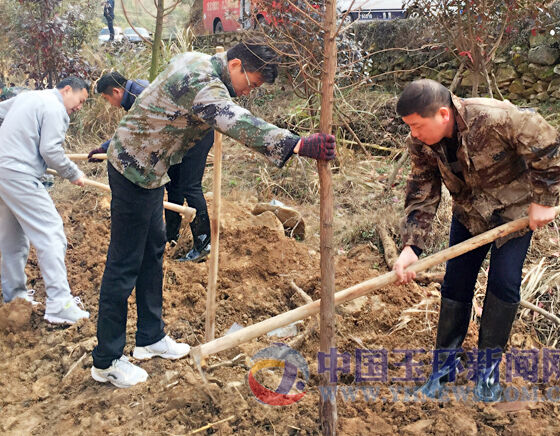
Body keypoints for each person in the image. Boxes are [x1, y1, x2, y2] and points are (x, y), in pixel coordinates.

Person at [90, 40, 336, 388]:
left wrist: (123, 136)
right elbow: (234, 119)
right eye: (249, 83)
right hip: (133, 170)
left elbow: (152, 102)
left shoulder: (195, 60)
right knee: (124, 262)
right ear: (234, 65)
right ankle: (107, 359)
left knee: (152, 253)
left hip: (149, 168)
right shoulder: (202, 81)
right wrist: (294, 143)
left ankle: (150, 337)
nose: (248, 92)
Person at [392, 79, 560, 402]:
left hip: (512, 214)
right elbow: (422, 190)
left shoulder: (493, 118)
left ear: (443, 114)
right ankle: (444, 369)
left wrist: (544, 198)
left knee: (504, 283)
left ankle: (487, 372)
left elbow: (548, 142)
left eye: (416, 125)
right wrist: (411, 248)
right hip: (470, 213)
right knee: (455, 282)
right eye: (409, 127)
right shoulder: (421, 143)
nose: (413, 134)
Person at [89, 72, 214, 262]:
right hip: (176, 137)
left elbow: (131, 132)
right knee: (173, 186)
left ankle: (204, 244)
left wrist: (106, 148)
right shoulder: (135, 92)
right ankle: (171, 237)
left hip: (195, 136)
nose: (110, 104)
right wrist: (104, 149)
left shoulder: (140, 95)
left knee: (190, 186)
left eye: (107, 99)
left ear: (116, 91)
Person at [0, 77, 91, 324]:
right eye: (80, 100)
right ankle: (59, 303)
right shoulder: (55, 108)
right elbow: (50, 151)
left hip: (3, 171)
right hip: (19, 174)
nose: (79, 106)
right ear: (67, 89)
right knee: (51, 233)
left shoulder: (29, 97)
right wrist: (73, 173)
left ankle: (14, 300)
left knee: (12, 239)